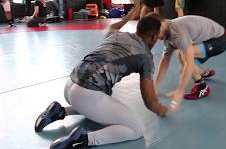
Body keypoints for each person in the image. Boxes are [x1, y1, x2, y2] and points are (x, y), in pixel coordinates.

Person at [34, 8, 174, 148]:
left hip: (70, 84)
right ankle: (82, 139)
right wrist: (161, 109)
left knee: (104, 98)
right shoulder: (145, 57)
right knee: (137, 129)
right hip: (86, 95)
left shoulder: (118, 35)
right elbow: (149, 100)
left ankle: (60, 111)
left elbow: (113, 26)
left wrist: (129, 16)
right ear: (153, 37)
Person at [154, 15, 226, 110]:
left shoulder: (177, 33)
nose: (154, 38)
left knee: (183, 57)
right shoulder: (167, 31)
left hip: (218, 40)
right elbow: (165, 60)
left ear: (162, 25)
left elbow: (188, 63)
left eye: (154, 34)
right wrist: (155, 86)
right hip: (206, 40)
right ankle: (203, 73)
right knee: (183, 67)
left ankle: (202, 87)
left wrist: (179, 92)